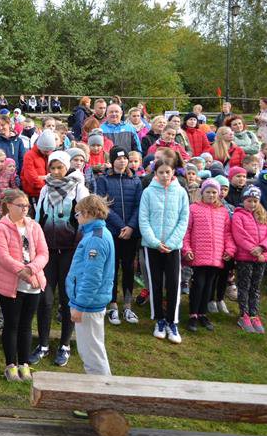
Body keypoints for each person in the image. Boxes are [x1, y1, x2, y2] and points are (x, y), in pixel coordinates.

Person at [30, 151, 88, 367]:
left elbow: (84, 219)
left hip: (70, 252)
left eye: (59, 168)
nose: (55, 172)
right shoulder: (46, 188)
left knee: (66, 298)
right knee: (44, 299)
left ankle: (64, 345)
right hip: (48, 252)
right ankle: (43, 344)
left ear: (66, 167)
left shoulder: (78, 188)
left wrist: (80, 247)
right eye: (52, 168)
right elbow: (39, 218)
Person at [0, 189, 47, 382]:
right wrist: (23, 272)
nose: (25, 209)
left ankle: (24, 364)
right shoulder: (1, 227)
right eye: (20, 205)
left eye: (27, 206)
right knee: (12, 325)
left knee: (26, 325)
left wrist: (32, 269)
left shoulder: (34, 226)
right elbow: (3, 256)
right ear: (9, 205)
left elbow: (43, 253)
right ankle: (11, 365)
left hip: (33, 284)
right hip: (11, 285)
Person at [139, 159, 190, 344]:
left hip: (172, 247)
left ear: (173, 172)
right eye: (161, 172)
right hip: (152, 246)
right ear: (155, 173)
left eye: (168, 172)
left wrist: (171, 242)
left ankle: (172, 321)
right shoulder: (148, 192)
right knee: (155, 283)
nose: (164, 175)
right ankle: (159, 320)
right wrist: (154, 242)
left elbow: (184, 219)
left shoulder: (181, 192)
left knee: (173, 283)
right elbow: (143, 219)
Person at [66, 195, 115, 376]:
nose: (77, 218)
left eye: (77, 214)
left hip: (88, 305)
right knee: (92, 351)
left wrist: (80, 306)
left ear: (87, 213)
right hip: (90, 303)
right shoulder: (96, 234)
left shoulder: (96, 239)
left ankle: (102, 390)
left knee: (92, 356)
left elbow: (92, 277)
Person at [94, 147, 143, 325]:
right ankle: (113, 304)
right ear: (112, 161)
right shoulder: (103, 180)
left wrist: (130, 226)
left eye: (125, 158)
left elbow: (139, 205)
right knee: (112, 268)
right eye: (118, 158)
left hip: (131, 233)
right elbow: (104, 206)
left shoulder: (135, 180)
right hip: (113, 232)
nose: (122, 161)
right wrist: (122, 226)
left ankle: (127, 305)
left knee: (129, 268)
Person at [182, 180, 233, 333]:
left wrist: (229, 249)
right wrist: (186, 249)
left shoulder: (223, 211)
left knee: (209, 285)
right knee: (198, 284)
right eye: (208, 192)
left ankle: (203, 314)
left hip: (216, 255)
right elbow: (186, 231)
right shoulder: (193, 209)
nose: (211, 195)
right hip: (199, 254)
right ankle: (193, 314)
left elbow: (227, 233)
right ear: (202, 193)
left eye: (214, 192)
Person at [231, 185, 267, 334]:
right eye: (249, 200)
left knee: (255, 287)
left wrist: (262, 248)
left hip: (261, 258)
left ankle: (254, 314)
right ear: (244, 200)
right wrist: (254, 249)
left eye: (255, 201)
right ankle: (244, 314)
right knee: (244, 286)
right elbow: (240, 235)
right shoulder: (238, 215)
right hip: (245, 257)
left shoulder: (264, 215)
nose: (252, 204)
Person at [21, 130, 56, 201]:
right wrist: (46, 185)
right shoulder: (29, 156)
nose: (48, 153)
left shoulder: (51, 155)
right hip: (34, 193)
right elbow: (32, 179)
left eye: (50, 150)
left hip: (48, 193)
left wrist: (42, 178)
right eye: (45, 151)